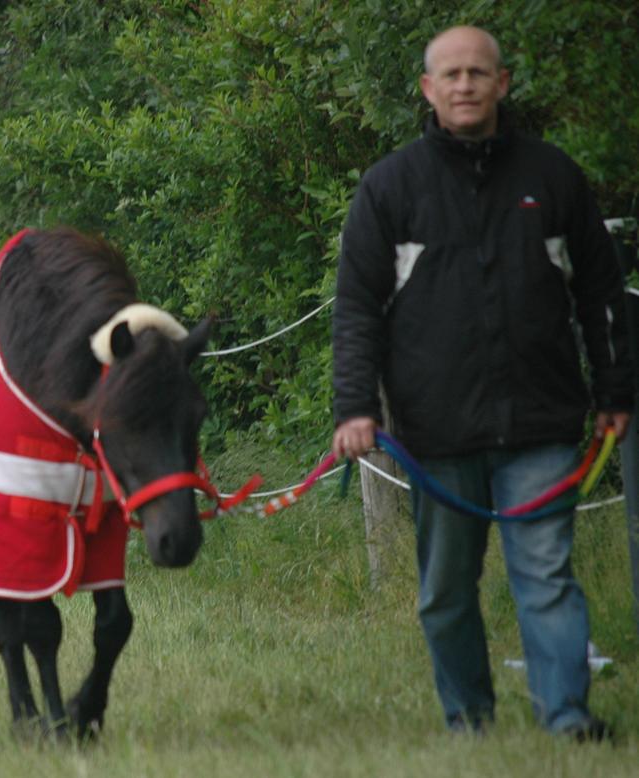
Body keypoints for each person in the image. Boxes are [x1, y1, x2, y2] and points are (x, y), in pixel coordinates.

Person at [331, 25, 632, 739]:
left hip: (543, 426)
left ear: (502, 84)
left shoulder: (553, 177)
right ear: (429, 91)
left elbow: (603, 294)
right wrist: (353, 406)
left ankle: (566, 718)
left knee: (547, 578)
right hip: (435, 434)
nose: (465, 84)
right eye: (451, 74)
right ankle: (469, 720)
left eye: (478, 72)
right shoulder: (390, 187)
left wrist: (616, 391)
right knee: (443, 593)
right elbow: (355, 309)